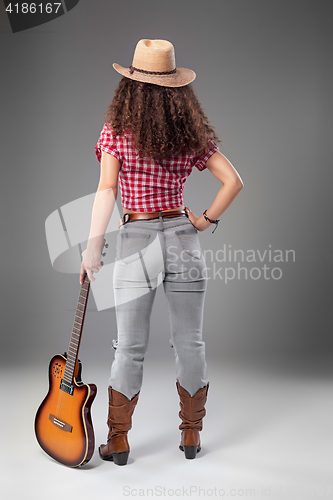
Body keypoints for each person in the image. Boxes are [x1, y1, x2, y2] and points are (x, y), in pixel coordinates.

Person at [80, 39, 243, 466]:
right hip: (183, 237)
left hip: (136, 239)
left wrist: (93, 249)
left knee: (129, 348)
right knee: (190, 342)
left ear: (130, 87)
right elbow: (234, 182)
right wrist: (204, 220)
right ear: (176, 90)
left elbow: (106, 191)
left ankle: (118, 441)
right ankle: (191, 437)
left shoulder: (116, 131)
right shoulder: (191, 133)